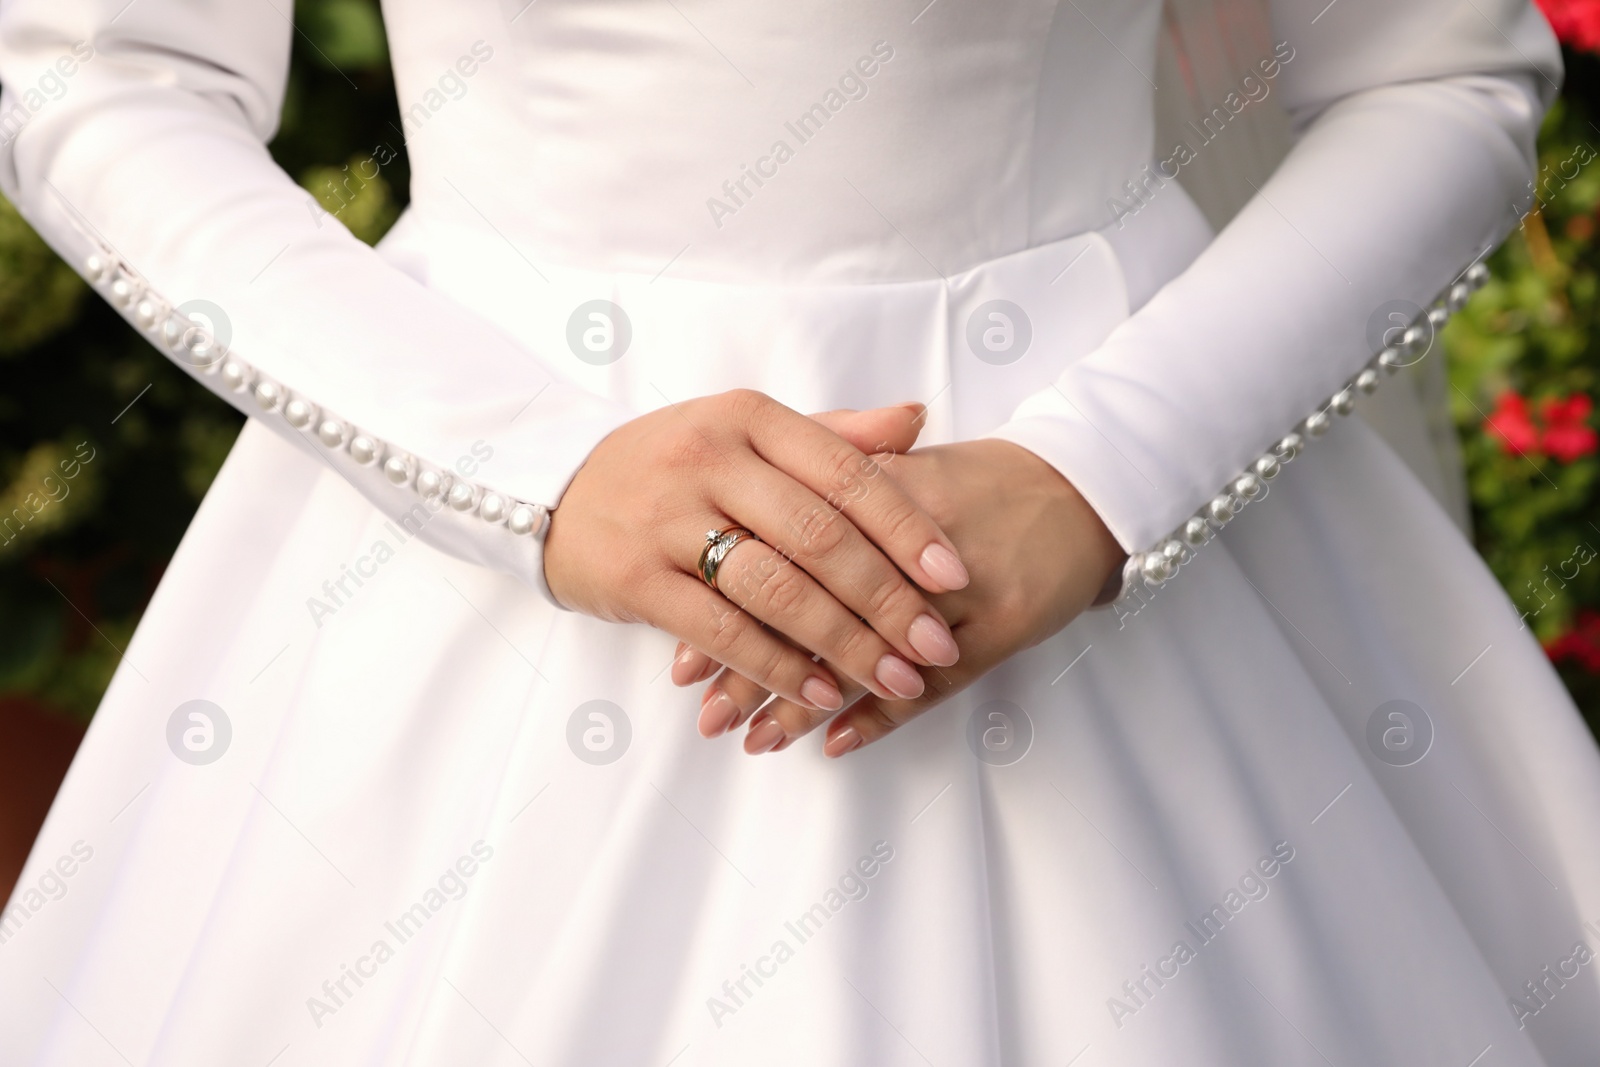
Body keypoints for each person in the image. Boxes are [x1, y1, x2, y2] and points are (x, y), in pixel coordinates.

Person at [2, 0, 1596, 1062]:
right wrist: (526, 473)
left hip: (1122, 529)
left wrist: (1104, 477)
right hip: (476, 544)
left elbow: (1434, 71)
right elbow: (100, 70)